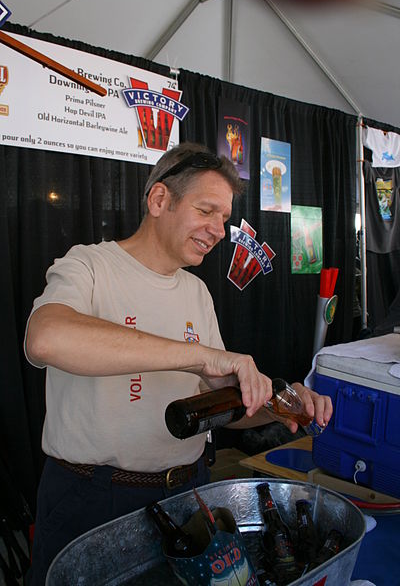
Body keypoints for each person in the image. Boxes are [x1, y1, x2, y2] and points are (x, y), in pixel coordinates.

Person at [24, 142, 332, 584]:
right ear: (159, 200)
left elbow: (216, 403)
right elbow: (46, 338)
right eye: (207, 210)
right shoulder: (90, 266)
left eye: (224, 218)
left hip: (188, 493)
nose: (219, 230)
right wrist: (200, 355)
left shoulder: (196, 292)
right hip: (95, 497)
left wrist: (280, 405)